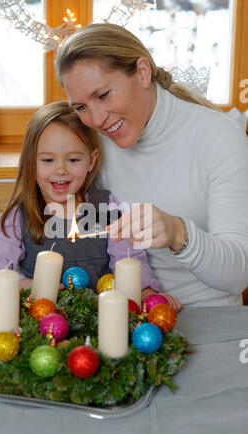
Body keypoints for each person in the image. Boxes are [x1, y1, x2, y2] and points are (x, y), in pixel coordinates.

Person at [54, 23, 248, 307]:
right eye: (81, 107)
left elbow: (239, 275)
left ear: (143, 73)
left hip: (207, 318)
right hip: (123, 316)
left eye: (104, 95)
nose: (96, 119)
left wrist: (178, 233)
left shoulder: (220, 138)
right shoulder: (89, 146)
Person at [0, 100, 181, 310]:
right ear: (30, 161)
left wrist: (145, 290)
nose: (61, 170)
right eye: (47, 160)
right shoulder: (20, 215)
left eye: (73, 160)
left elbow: (130, 258)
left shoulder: (105, 207)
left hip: (100, 320)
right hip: (41, 324)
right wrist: (19, 286)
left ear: (91, 161)